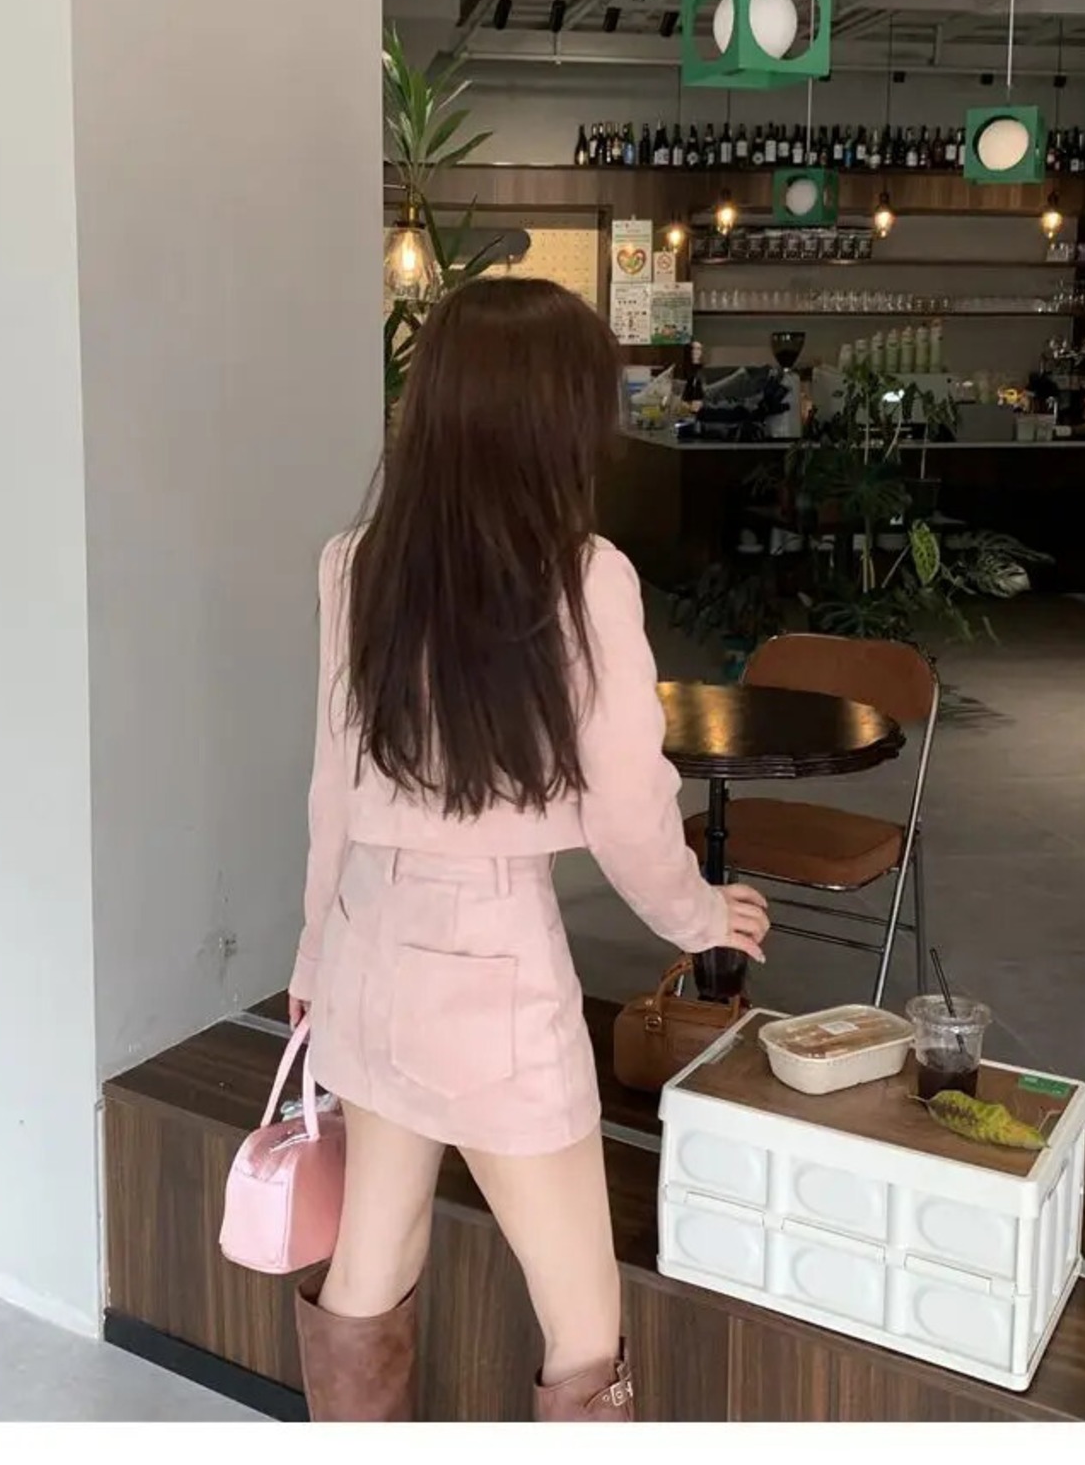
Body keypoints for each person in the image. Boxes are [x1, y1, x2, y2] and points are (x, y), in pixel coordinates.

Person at [289, 278, 770, 1423]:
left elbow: (330, 786)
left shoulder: (354, 563)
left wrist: (309, 959)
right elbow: (627, 807)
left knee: (370, 1260)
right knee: (581, 1324)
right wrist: (700, 916)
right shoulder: (583, 575)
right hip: (493, 961)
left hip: (367, 942)